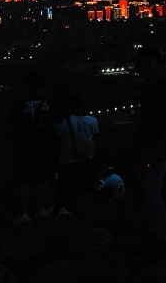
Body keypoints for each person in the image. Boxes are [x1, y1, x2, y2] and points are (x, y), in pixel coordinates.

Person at [132, 46, 166, 256]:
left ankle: (163, 241)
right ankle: (155, 233)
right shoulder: (145, 89)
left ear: (158, 64)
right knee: (148, 195)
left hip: (155, 152)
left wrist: (161, 149)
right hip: (143, 149)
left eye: (148, 63)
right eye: (140, 65)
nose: (144, 68)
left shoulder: (165, 88)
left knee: (152, 196)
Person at [7, 70, 53, 225]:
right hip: (44, 145)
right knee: (43, 177)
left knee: (23, 179)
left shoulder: (20, 104)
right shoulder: (49, 103)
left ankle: (23, 213)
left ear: (27, 86)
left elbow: (11, 127)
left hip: (24, 146)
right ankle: (42, 210)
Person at [54, 93, 99, 220]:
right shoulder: (93, 121)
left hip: (67, 161)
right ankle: (87, 215)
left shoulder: (65, 122)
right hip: (86, 160)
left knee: (64, 188)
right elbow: (95, 138)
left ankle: (61, 210)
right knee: (86, 189)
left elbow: (57, 133)